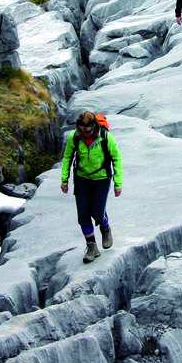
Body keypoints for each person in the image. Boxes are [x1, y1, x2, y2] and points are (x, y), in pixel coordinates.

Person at [60, 111, 123, 263]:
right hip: (82, 179)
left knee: (97, 212)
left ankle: (105, 226)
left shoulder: (105, 137)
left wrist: (118, 182)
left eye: (88, 131)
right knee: (83, 215)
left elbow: (116, 158)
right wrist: (64, 179)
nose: (85, 134)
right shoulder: (75, 137)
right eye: (82, 131)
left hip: (101, 179)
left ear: (94, 126)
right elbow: (68, 157)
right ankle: (91, 246)